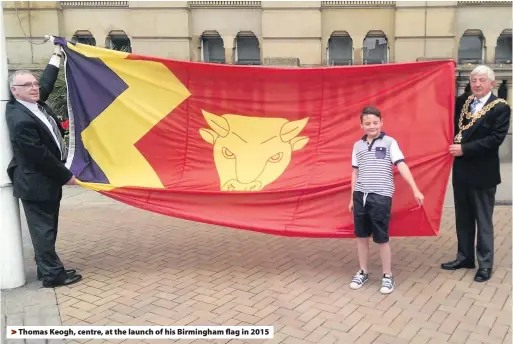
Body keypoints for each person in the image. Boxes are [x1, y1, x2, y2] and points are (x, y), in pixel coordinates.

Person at [5, 37, 82, 288]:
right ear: (14, 91)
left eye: (34, 84)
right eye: (27, 85)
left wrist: (56, 55)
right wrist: (65, 176)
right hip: (35, 182)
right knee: (43, 231)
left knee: (48, 228)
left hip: (44, 181)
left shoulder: (34, 102)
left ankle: (46, 268)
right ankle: (52, 276)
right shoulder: (20, 118)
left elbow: (46, 82)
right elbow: (39, 155)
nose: (34, 88)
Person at [443, 65, 511, 282]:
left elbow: (494, 140)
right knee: (463, 218)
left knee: (483, 220)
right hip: (462, 171)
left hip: (483, 173)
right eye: (474, 80)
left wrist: (464, 149)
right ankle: (464, 257)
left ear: (492, 83)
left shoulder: (500, 108)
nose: (477, 84)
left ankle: (485, 264)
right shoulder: (464, 102)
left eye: (482, 80)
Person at [348, 106, 424, 294]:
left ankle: (387, 275)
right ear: (361, 125)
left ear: (381, 122)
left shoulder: (390, 143)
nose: (372, 126)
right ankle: (363, 271)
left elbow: (402, 165)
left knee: (382, 238)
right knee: (361, 236)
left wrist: (415, 189)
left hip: (381, 196)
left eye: (375, 122)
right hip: (360, 196)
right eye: (367, 123)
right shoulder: (357, 146)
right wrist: (352, 197)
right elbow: (354, 172)